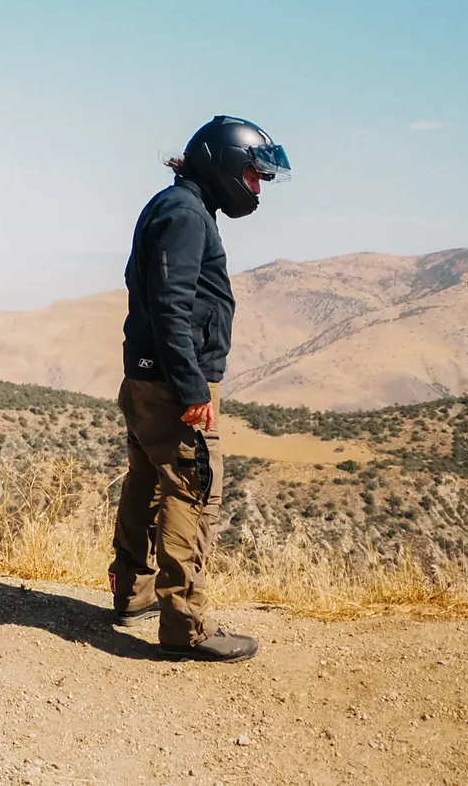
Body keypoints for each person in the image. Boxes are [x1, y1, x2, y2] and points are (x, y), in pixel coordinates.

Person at [108, 115, 290, 661]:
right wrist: (192, 387)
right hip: (174, 383)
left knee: (147, 482)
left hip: (148, 375)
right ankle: (185, 628)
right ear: (225, 165)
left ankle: (134, 594)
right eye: (253, 176)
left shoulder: (174, 206)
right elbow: (171, 304)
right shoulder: (186, 215)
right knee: (192, 488)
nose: (257, 189)